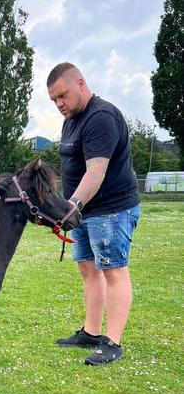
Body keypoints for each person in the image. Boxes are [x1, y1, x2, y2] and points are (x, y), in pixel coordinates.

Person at [46, 62, 141, 365]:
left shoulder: (101, 117)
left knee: (114, 271)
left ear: (81, 84)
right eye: (54, 100)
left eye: (63, 95)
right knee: (88, 269)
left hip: (111, 209)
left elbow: (96, 172)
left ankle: (112, 342)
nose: (59, 104)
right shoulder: (71, 120)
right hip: (84, 212)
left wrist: (70, 206)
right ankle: (91, 331)